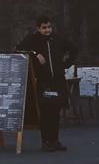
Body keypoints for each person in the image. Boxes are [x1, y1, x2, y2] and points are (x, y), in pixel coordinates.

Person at [17, 14, 76, 152]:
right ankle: (46, 141)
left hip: (57, 79)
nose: (47, 30)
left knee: (56, 109)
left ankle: (55, 140)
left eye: (49, 27)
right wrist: (35, 54)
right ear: (38, 28)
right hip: (43, 80)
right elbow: (19, 49)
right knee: (45, 111)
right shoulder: (33, 39)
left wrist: (65, 64)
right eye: (44, 28)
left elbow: (73, 49)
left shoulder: (57, 39)